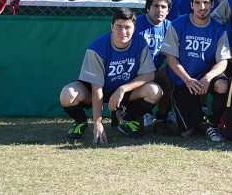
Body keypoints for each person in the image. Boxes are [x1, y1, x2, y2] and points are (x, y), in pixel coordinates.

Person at [59, 8, 163, 143]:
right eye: (118, 26)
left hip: (124, 91)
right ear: (111, 27)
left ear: (134, 28)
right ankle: (80, 121)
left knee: (155, 91)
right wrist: (97, 122)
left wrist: (122, 89)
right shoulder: (97, 47)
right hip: (96, 89)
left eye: (127, 27)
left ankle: (126, 121)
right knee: (67, 94)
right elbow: (96, 87)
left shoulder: (140, 43)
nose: (123, 32)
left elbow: (149, 75)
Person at [161, 0, 231, 142]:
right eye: (198, 3)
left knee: (223, 85)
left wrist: (208, 77)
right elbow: (171, 57)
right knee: (187, 133)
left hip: (205, 76)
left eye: (206, 3)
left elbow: (223, 60)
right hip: (183, 79)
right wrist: (187, 79)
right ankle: (196, 117)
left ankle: (212, 125)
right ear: (191, 5)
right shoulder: (178, 24)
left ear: (212, 4)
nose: (202, 7)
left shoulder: (218, 29)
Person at [135, 0, 173, 131]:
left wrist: (166, 67)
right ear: (148, 8)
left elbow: (175, 54)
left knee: (168, 76)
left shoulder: (170, 27)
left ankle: (162, 118)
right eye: (155, 6)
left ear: (168, 11)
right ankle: (139, 113)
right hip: (135, 71)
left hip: (156, 70)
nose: (159, 10)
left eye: (163, 7)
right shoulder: (135, 23)